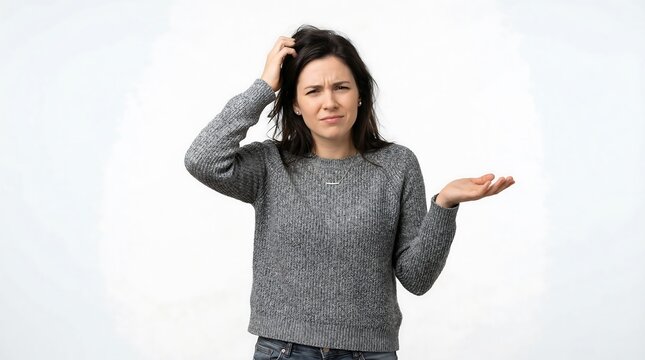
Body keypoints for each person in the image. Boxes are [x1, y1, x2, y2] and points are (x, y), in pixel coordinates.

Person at [184, 25, 514, 360]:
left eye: (341, 87)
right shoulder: (270, 164)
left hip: (369, 352)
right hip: (284, 350)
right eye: (313, 91)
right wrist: (264, 87)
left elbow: (417, 278)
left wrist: (445, 205)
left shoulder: (397, 165)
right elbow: (202, 159)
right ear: (295, 103)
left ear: (359, 95)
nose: (329, 102)